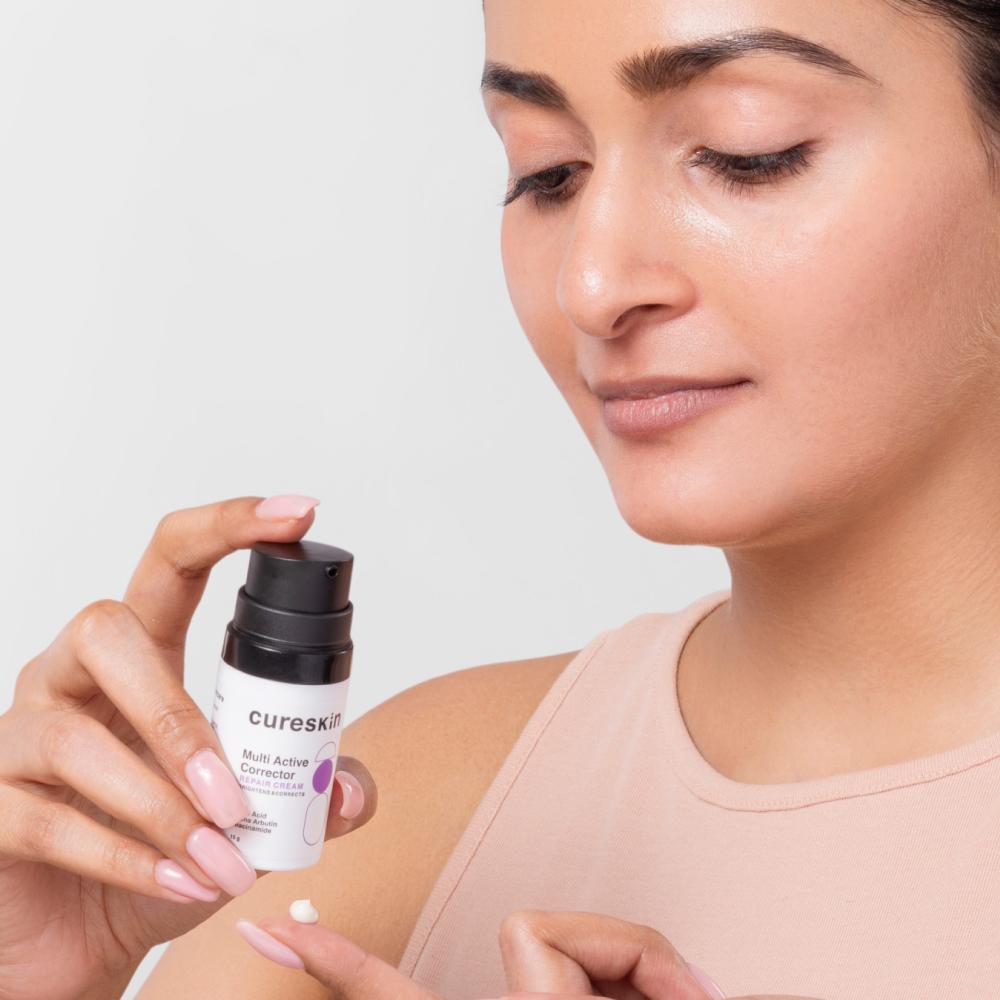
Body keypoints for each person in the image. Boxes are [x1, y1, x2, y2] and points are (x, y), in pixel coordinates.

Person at [1, 0, 998, 997]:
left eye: (748, 154)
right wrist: (44, 975)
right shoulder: (392, 826)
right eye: (548, 172)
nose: (591, 284)